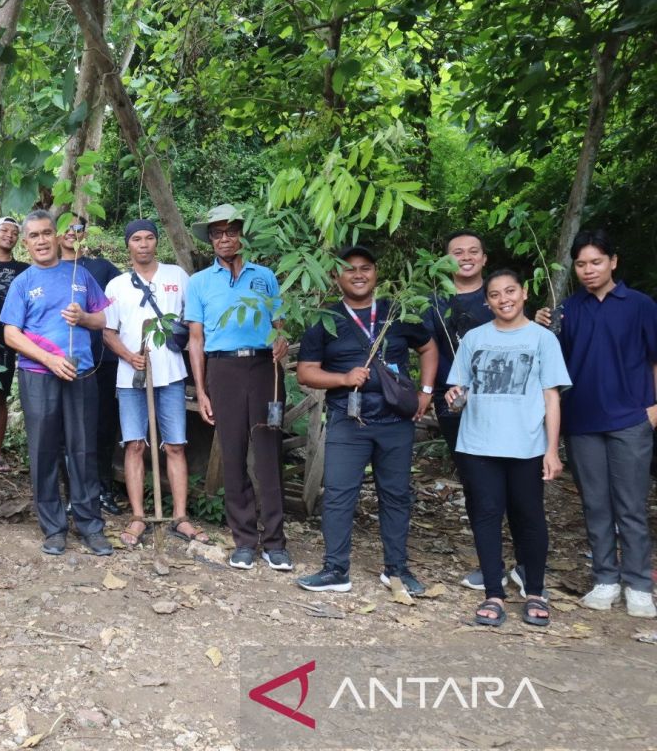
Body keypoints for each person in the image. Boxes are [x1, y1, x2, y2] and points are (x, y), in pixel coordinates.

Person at [295, 245, 438, 594]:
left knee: (396, 495)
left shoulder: (397, 312)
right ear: (336, 276)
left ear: (376, 273)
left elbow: (429, 347)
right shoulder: (325, 318)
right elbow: (306, 372)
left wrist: (426, 391)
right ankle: (335, 569)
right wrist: (343, 379)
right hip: (348, 419)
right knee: (339, 494)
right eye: (349, 269)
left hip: (395, 421)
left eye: (365, 268)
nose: (358, 274)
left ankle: (397, 570)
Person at [541, 231, 657, 618]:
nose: (588, 270)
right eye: (581, 264)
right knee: (595, 504)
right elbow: (552, 365)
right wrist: (544, 323)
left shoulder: (641, 305)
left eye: (596, 262)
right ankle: (605, 578)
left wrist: (654, 407)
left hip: (630, 419)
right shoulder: (568, 310)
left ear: (613, 262)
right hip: (583, 421)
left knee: (631, 505)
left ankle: (639, 584)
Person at [445, 269, 569, 627]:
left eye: (510, 291)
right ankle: (493, 595)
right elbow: (459, 392)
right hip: (479, 443)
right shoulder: (474, 337)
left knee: (529, 517)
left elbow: (552, 397)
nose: (504, 299)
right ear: (487, 301)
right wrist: (454, 398)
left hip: (527, 445)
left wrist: (552, 449)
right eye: (496, 294)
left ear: (524, 293)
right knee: (485, 515)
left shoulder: (542, 339)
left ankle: (534, 591)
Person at [185, 206, 290, 571]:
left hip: (264, 367)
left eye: (231, 231)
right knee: (232, 454)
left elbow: (280, 325)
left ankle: (276, 542)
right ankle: (244, 540)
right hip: (222, 368)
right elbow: (195, 340)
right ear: (211, 240)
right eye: (217, 233)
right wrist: (201, 390)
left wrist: (282, 340)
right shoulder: (199, 282)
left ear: (243, 234)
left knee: (268, 454)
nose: (225, 238)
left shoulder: (265, 276)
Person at [422, 230, 528, 592]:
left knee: (517, 484)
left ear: (484, 258)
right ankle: (491, 565)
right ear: (445, 260)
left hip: (509, 404)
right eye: (456, 252)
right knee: (476, 485)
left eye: (473, 252)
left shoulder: (499, 297)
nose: (465, 257)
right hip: (455, 403)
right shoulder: (434, 303)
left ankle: (527, 564)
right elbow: (428, 351)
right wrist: (428, 393)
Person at [3, 209, 112, 556]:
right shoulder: (22, 282)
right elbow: (9, 333)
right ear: (25, 243)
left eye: (46, 233)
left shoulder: (79, 274)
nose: (41, 240)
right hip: (39, 375)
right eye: (33, 235)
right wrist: (48, 358)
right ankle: (53, 528)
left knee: (83, 449)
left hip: (80, 372)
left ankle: (90, 526)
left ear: (57, 235)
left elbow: (102, 319)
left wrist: (84, 317)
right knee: (44, 451)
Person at [103, 219, 204, 547]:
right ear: (128, 245)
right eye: (136, 239)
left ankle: (180, 516)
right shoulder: (116, 286)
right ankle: (137, 517)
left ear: (156, 242)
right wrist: (130, 356)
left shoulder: (177, 276)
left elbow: (193, 323)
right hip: (131, 377)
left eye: (149, 238)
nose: (143, 244)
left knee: (175, 445)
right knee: (134, 444)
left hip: (171, 374)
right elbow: (108, 331)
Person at [59, 218, 124, 515]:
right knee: (64, 428)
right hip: (62, 360)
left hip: (103, 357)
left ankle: (102, 489)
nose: (73, 233)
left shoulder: (101, 267)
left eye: (79, 229)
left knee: (102, 425)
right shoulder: (49, 268)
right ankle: (71, 492)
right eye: (67, 228)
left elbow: (120, 303)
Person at [0, 216, 29, 471]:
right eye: (4, 230)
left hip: (6, 340)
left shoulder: (24, 269)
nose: (9, 235)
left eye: (14, 232)